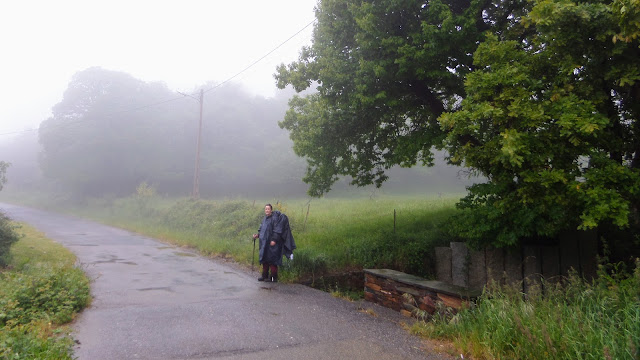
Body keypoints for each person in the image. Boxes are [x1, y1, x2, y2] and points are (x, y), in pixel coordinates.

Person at [252, 204, 295, 282]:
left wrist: (274, 240)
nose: (267, 210)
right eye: (266, 209)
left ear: (271, 210)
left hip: (273, 244)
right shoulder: (264, 219)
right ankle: (264, 276)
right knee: (264, 259)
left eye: (268, 209)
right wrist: (257, 235)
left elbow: (278, 230)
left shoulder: (275, 219)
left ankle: (273, 278)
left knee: (272, 260)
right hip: (265, 243)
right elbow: (262, 230)